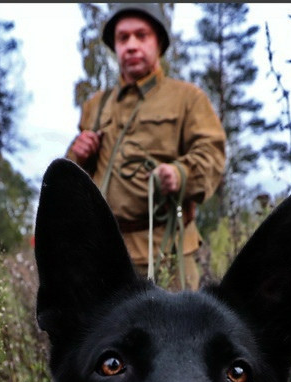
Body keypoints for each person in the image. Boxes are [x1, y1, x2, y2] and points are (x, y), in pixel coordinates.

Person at [67, 3, 226, 290]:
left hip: (166, 252)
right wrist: (78, 156)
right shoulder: (96, 105)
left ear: (159, 43)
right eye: (123, 38)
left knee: (175, 333)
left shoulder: (187, 98)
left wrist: (180, 174)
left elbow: (212, 155)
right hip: (106, 253)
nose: (131, 45)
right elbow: (77, 178)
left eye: (142, 36)